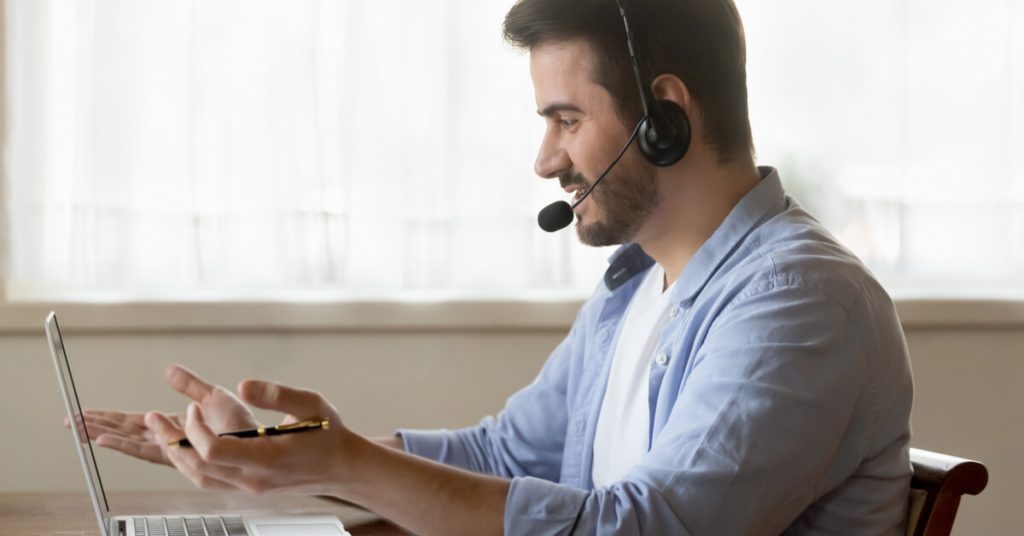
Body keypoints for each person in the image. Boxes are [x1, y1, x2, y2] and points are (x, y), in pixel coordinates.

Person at [77, 0, 914, 533]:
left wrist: (345, 465)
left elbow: (651, 530)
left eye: (565, 119)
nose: (545, 160)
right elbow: (504, 452)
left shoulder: (799, 301)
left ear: (664, 114)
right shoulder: (638, 287)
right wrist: (288, 449)